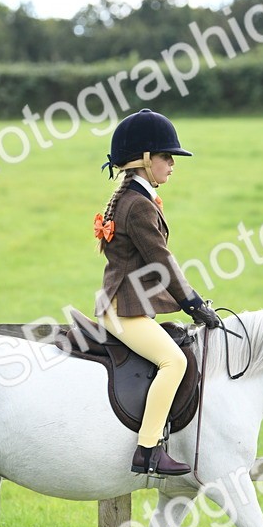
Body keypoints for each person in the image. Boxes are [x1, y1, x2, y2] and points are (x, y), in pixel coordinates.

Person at [93, 109, 223, 476]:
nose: (172, 164)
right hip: (124, 309)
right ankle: (148, 451)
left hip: (126, 304)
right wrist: (194, 304)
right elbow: (161, 261)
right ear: (145, 159)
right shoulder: (137, 206)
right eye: (167, 157)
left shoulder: (135, 199)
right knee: (174, 362)